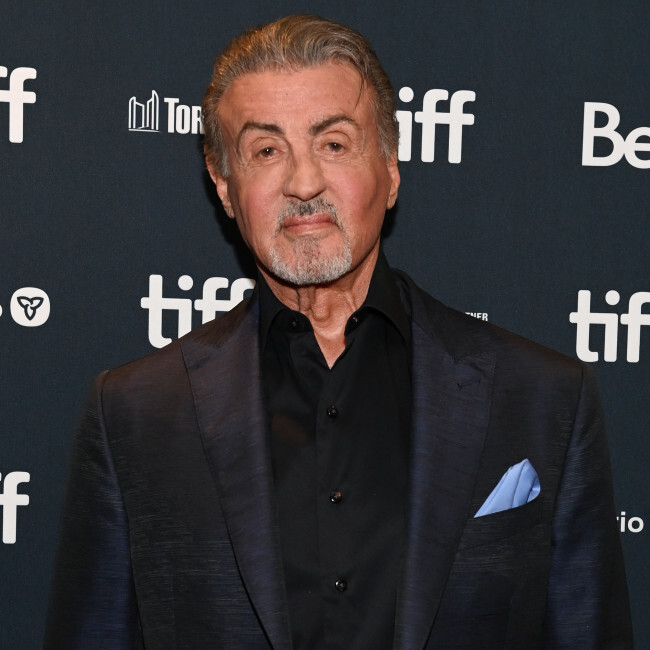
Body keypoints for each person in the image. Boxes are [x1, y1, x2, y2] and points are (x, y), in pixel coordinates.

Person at [45, 14, 632, 649]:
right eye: (266, 150)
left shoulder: (543, 399)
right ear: (224, 186)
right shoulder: (134, 414)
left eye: (333, 143)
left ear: (391, 167)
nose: (304, 183)